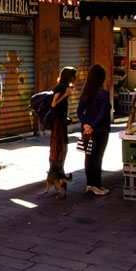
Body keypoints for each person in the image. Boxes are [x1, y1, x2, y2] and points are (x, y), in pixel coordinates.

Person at [77, 64, 112, 195]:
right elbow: (102, 113)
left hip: (86, 131)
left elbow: (79, 112)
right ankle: (96, 184)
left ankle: (89, 184)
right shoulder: (104, 94)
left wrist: (86, 125)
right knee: (97, 157)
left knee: (89, 156)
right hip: (100, 130)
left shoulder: (85, 93)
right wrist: (93, 126)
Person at [48, 66, 77, 175]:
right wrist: (65, 94)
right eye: (74, 76)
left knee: (62, 143)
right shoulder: (61, 87)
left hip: (62, 119)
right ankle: (56, 168)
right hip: (58, 119)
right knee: (59, 143)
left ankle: (59, 167)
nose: (75, 78)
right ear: (69, 77)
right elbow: (54, 103)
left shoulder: (65, 86)